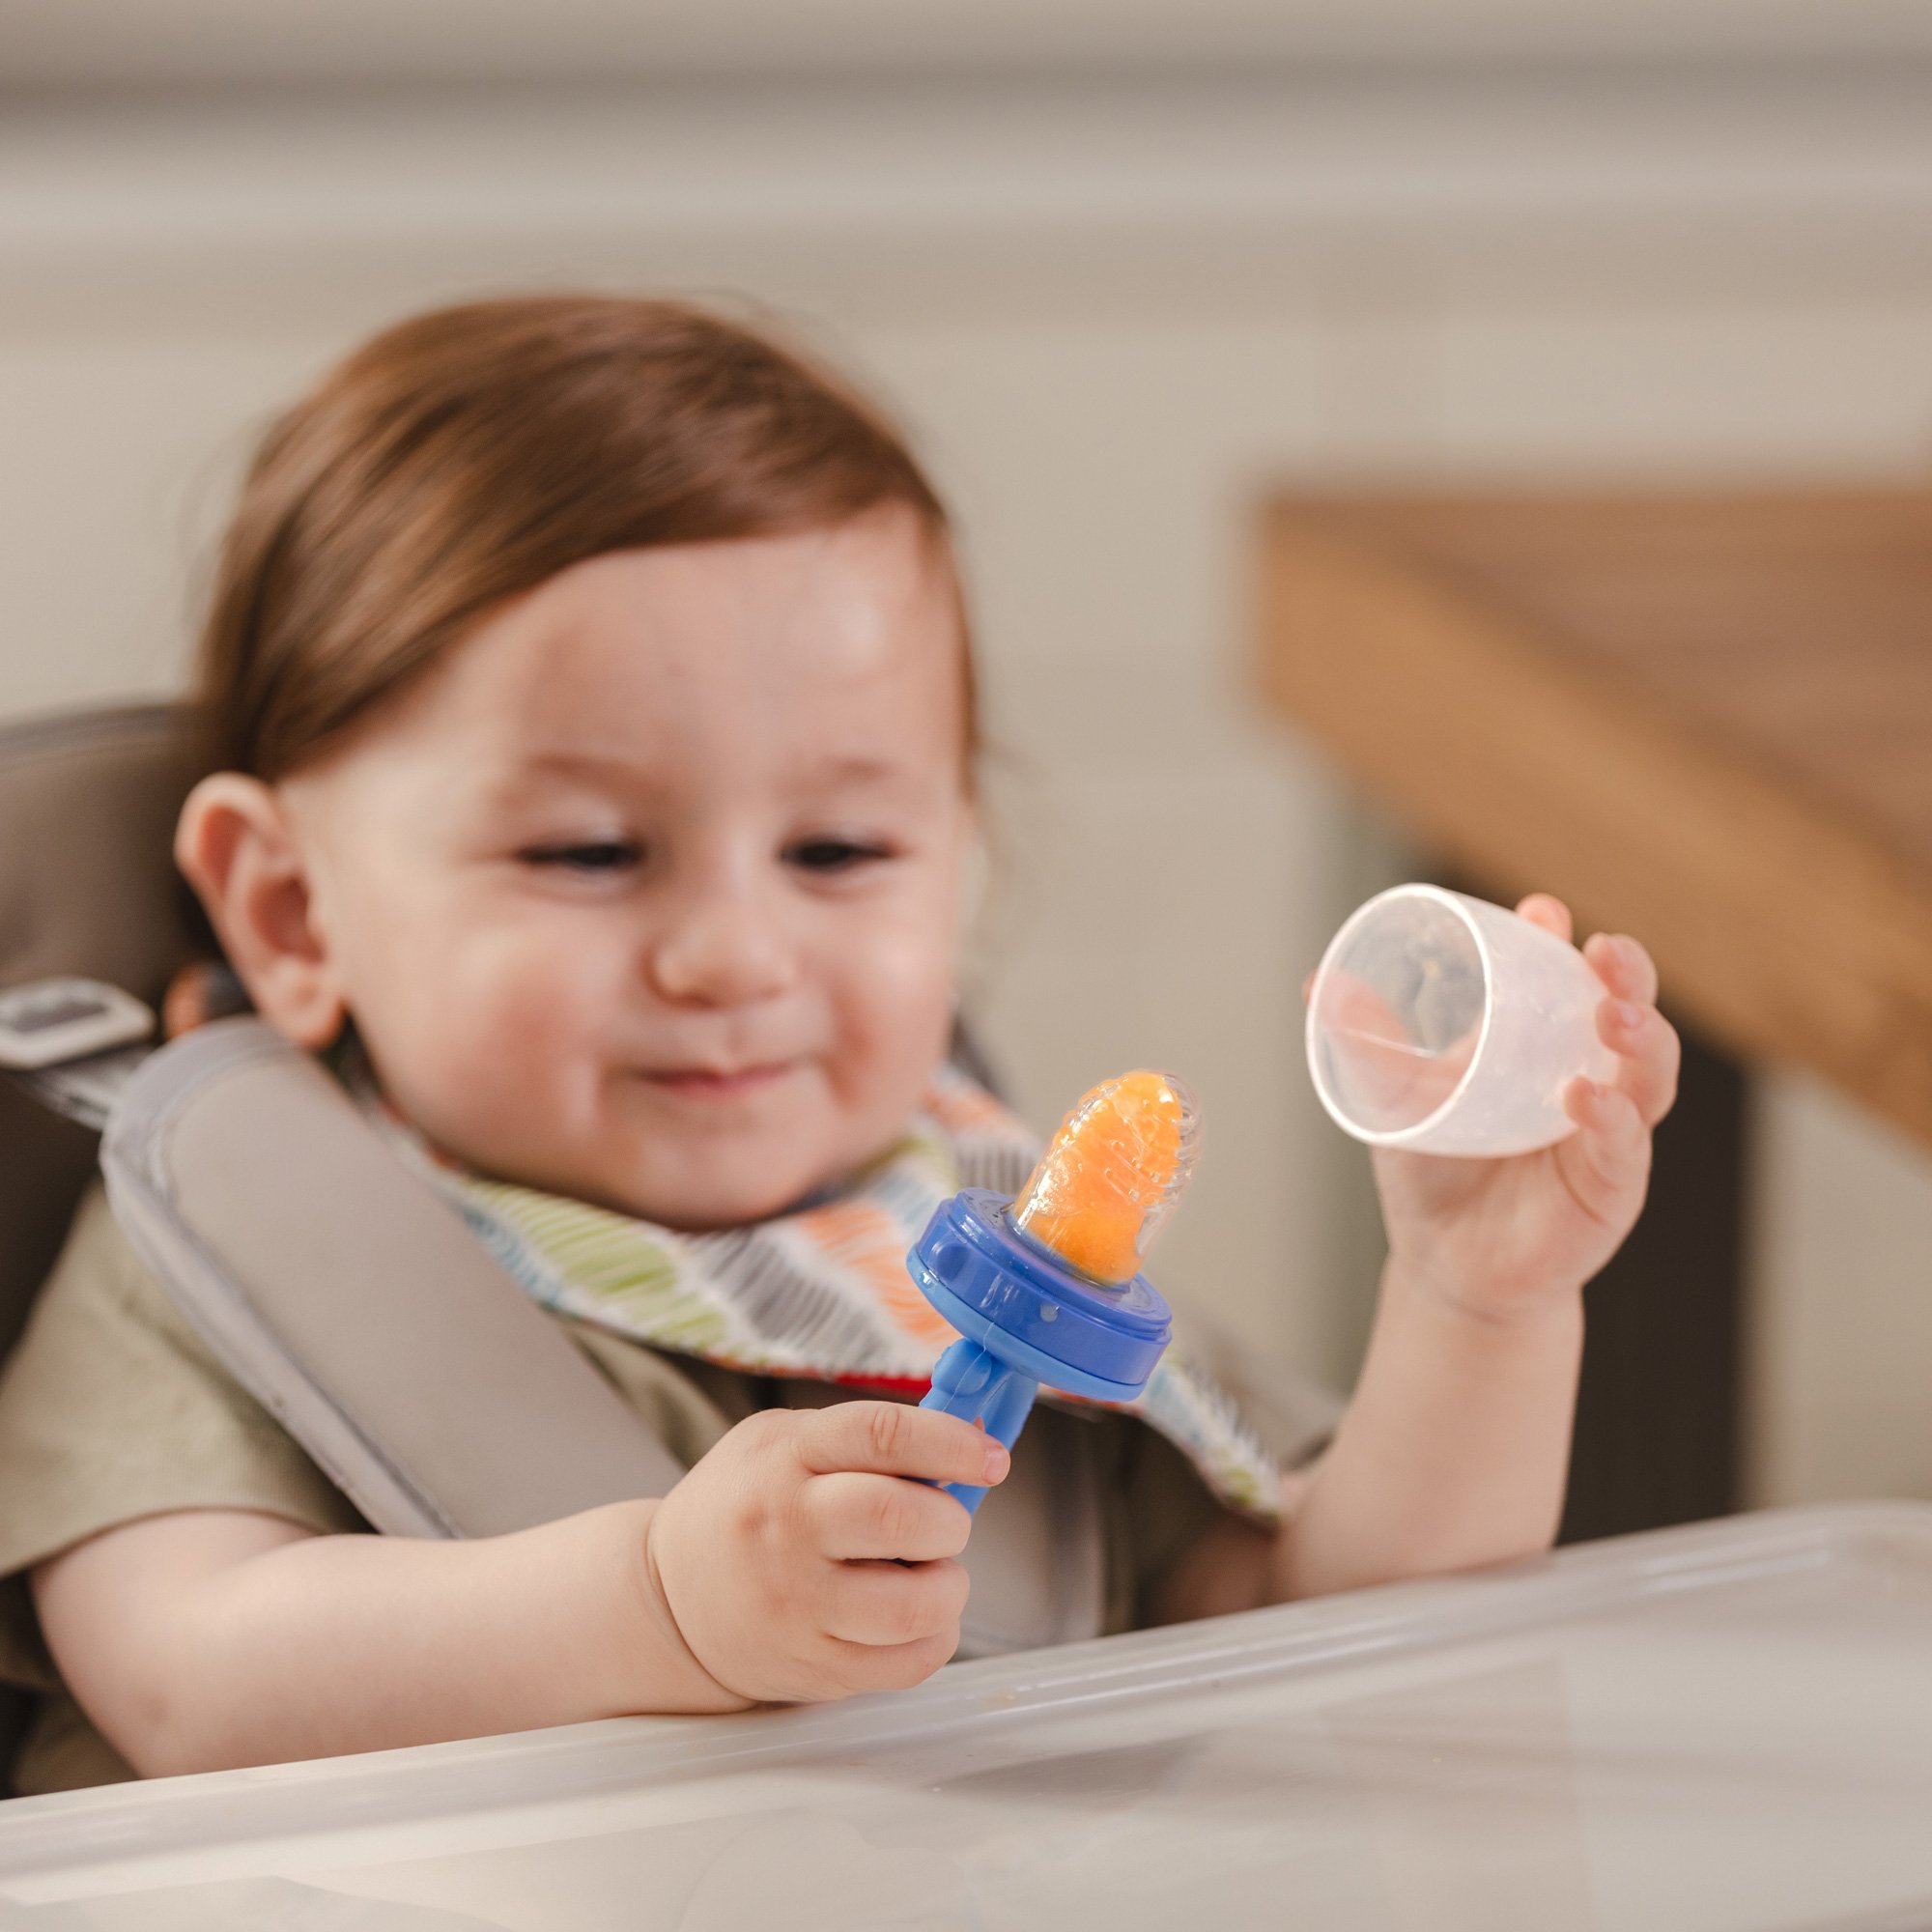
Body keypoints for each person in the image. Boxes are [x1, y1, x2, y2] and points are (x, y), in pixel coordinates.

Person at [0, 298, 1679, 1791]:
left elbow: (1330, 1633)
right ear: (291, 917)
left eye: (838, 854)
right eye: (588, 852)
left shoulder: (975, 1243)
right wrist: (659, 1611)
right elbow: (191, 1675)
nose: (734, 952)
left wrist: (1477, 1310)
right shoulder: (217, 1238)